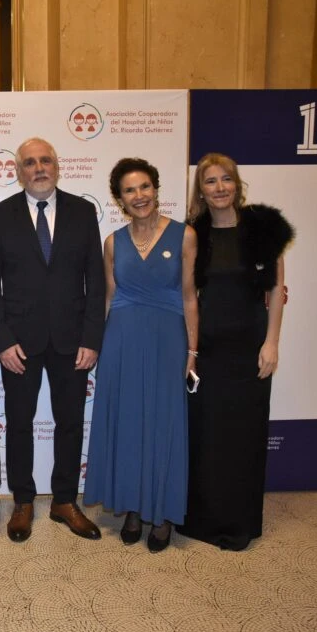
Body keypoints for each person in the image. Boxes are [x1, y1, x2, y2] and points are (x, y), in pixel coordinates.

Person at [0, 137, 105, 543]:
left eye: (46, 161)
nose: (39, 168)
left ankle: (65, 502)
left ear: (58, 166)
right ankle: (23, 500)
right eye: (30, 162)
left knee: (70, 423)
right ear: (18, 171)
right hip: (19, 342)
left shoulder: (83, 212)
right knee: (18, 423)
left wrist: (92, 337)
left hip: (73, 341)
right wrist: (0, 341)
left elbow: (96, 280)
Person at [176, 153, 293, 551]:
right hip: (207, 351)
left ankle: (240, 523)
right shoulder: (194, 234)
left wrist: (272, 342)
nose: (220, 187)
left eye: (226, 179)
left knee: (244, 438)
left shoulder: (263, 227)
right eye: (210, 181)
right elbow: (188, 295)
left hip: (250, 350)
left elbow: (276, 288)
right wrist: (190, 350)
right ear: (201, 191)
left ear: (237, 184)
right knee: (206, 436)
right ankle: (203, 521)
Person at [83, 157, 199, 552]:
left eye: (145, 187)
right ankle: (132, 507)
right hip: (121, 340)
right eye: (130, 190)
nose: (139, 196)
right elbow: (109, 297)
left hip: (168, 338)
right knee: (128, 422)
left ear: (156, 189)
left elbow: (189, 297)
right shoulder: (113, 241)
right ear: (119, 198)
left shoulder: (184, 236)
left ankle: (162, 514)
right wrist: (97, 346)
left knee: (164, 423)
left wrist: (193, 350)